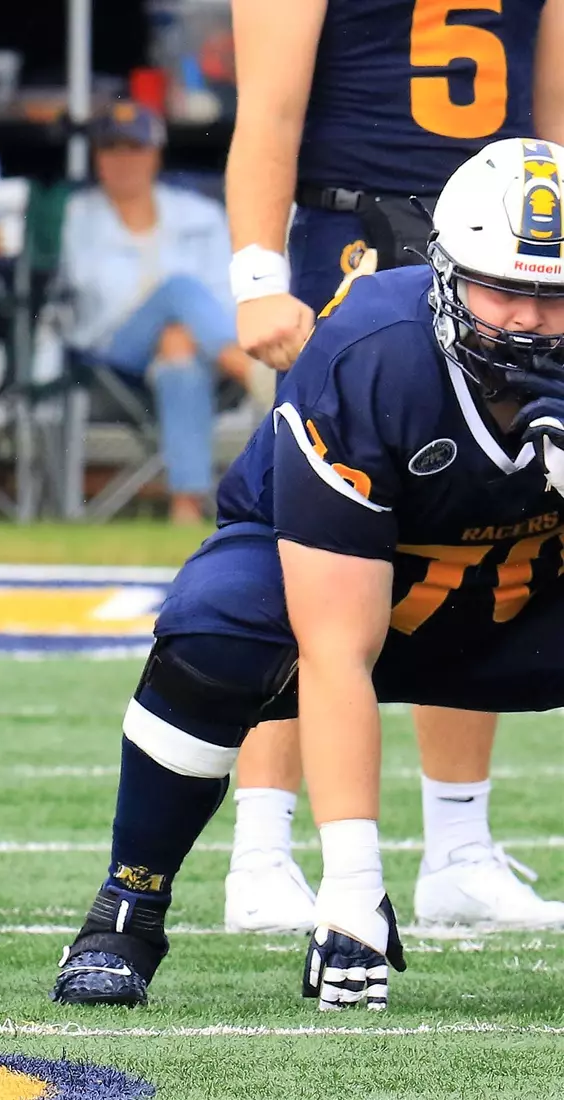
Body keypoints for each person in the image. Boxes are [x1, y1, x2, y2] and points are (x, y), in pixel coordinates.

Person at [52, 138, 564, 1011]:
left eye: (556, 298)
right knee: (215, 625)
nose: (531, 321)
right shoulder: (374, 350)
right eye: (505, 290)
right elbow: (334, 648)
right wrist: (353, 889)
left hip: (519, 601)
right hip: (345, 597)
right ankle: (126, 908)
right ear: (443, 274)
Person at [216, 0, 564, 936]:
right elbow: (269, 115)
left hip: (510, 264)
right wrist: (257, 279)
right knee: (309, 546)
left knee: (497, 528)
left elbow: (554, 124)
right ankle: (261, 851)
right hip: (357, 242)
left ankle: (459, 845)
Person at [60, 102, 251, 525]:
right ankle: (254, 377)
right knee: (179, 290)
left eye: (135, 148)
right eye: (112, 149)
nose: (124, 160)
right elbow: (96, 298)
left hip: (194, 348)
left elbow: (226, 293)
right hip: (113, 352)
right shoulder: (77, 216)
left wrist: (179, 329)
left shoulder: (199, 214)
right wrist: (172, 313)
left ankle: (185, 506)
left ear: (155, 154)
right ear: (98, 158)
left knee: (178, 352)